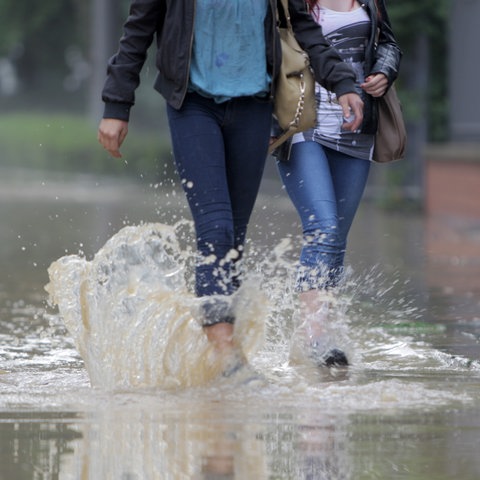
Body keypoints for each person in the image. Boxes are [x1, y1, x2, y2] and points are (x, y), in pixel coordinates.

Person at [97, 0, 363, 371]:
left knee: (234, 239)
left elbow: (303, 28)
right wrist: (116, 104)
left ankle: (220, 343)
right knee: (216, 230)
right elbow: (137, 33)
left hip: (253, 108)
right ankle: (226, 356)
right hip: (192, 105)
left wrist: (342, 81)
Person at [275, 0, 402, 367]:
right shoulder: (293, 3)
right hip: (305, 125)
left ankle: (316, 333)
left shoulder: (368, 1)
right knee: (324, 229)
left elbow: (389, 44)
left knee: (336, 239)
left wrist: (384, 71)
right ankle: (317, 339)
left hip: (356, 129)